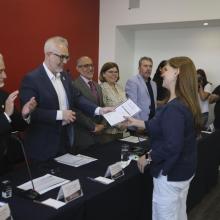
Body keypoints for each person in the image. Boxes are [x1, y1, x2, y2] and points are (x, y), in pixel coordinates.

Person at [125, 57, 202, 220]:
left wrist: (148, 157)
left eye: (165, 69)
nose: (161, 72)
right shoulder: (183, 102)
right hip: (183, 171)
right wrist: (134, 121)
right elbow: (159, 125)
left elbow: (172, 145)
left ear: (177, 72)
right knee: (179, 213)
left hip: (171, 174)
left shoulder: (174, 108)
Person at [20, 36, 112, 162]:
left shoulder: (65, 76)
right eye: (61, 57)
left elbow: (77, 98)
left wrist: (99, 110)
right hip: (43, 145)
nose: (65, 61)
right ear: (48, 55)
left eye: (66, 57)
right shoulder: (32, 79)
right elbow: (30, 114)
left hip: (66, 140)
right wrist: (60, 115)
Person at [0, 53, 36, 174]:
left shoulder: (4, 95)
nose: (5, 75)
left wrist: (25, 114)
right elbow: (6, 119)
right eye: (0, 71)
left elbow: (19, 126)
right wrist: (5, 115)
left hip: (6, 165)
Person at [73, 56, 107, 151]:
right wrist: (93, 127)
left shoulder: (97, 85)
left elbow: (102, 107)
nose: (90, 68)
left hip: (100, 135)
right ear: (78, 68)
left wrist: (103, 125)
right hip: (84, 136)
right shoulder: (74, 85)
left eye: (92, 65)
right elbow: (76, 111)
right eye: (86, 66)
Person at [99, 62, 129, 140]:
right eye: (110, 72)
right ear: (103, 74)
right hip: (109, 133)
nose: (114, 74)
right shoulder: (101, 89)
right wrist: (120, 125)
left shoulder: (120, 87)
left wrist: (127, 122)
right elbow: (104, 110)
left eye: (116, 72)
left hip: (123, 130)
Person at [125, 57, 157, 121]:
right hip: (139, 123)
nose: (148, 68)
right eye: (145, 66)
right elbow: (131, 106)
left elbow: (154, 103)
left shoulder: (153, 84)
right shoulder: (133, 81)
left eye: (150, 66)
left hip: (151, 122)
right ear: (139, 68)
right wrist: (138, 123)